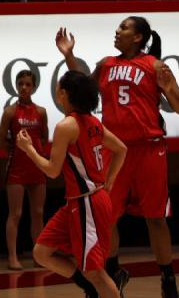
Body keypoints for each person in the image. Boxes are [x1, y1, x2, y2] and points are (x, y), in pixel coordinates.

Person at [56, 17, 179, 298]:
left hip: (149, 148)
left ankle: (168, 280)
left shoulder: (154, 66)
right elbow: (83, 92)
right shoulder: (106, 64)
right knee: (108, 218)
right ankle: (113, 276)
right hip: (115, 150)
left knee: (156, 218)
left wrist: (169, 87)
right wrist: (69, 56)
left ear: (138, 37)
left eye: (124, 28)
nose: (117, 32)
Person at [16, 70, 128, 298]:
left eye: (58, 87)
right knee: (41, 252)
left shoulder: (66, 126)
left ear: (64, 94)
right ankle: (89, 288)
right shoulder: (93, 122)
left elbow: (52, 170)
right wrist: (109, 181)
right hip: (80, 202)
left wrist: (28, 150)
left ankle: (102, 286)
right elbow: (121, 150)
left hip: (88, 204)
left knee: (95, 272)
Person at [0, 69, 48, 270]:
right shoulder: (10, 112)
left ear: (33, 87)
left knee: (38, 212)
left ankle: (38, 256)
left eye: (28, 84)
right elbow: (1, 141)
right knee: (15, 214)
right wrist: (16, 150)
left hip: (37, 168)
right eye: (21, 84)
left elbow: (44, 136)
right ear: (16, 86)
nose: (24, 87)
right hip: (17, 168)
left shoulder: (41, 111)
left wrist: (35, 152)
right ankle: (12, 257)